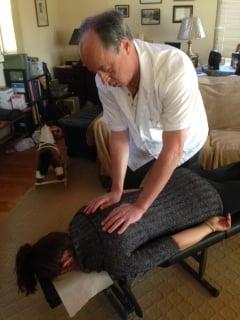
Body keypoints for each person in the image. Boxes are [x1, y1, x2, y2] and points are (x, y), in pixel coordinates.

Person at [16, 161, 240, 296]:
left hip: (203, 201)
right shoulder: (79, 217)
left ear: (65, 264)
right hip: (176, 179)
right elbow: (126, 194)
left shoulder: (116, 263)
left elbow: (173, 244)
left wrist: (210, 226)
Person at [78, 10, 209, 234]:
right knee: (123, 200)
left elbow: (174, 147)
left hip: (183, 144)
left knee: (175, 206)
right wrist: (116, 189)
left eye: (106, 69)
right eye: (95, 71)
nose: (102, 79)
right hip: (143, 142)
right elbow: (119, 136)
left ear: (126, 47)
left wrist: (140, 206)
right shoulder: (104, 80)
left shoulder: (173, 67)